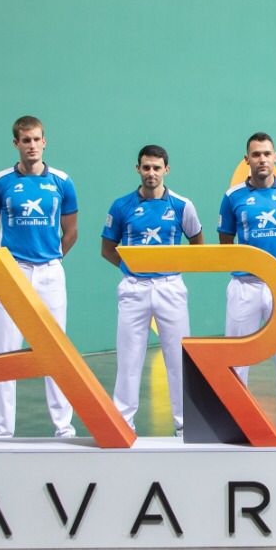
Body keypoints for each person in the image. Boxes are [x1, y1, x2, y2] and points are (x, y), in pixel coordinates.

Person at [0, 115, 79, 438]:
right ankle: (1, 432)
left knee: (56, 349)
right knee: (4, 353)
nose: (32, 146)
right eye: (26, 140)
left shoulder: (62, 182)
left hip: (51, 272)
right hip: (13, 273)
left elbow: (71, 231)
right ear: (16, 144)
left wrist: (53, 258)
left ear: (45, 142)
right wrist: (5, 264)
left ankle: (63, 427)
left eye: (37, 139)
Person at [100, 145, 203, 436]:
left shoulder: (182, 205)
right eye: (146, 167)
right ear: (138, 169)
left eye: (157, 168)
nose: (151, 173)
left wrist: (173, 268)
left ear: (166, 170)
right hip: (133, 288)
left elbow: (197, 245)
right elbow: (107, 249)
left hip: (170, 288)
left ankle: (185, 426)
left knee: (179, 358)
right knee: (128, 358)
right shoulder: (121, 206)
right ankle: (123, 425)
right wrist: (132, 268)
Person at [218, 132, 276, 437]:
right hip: (243, 286)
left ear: (275, 157)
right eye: (256, 154)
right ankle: (233, 423)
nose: (262, 159)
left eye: (266, 154)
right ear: (247, 160)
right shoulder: (232, 197)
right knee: (236, 357)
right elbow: (225, 240)